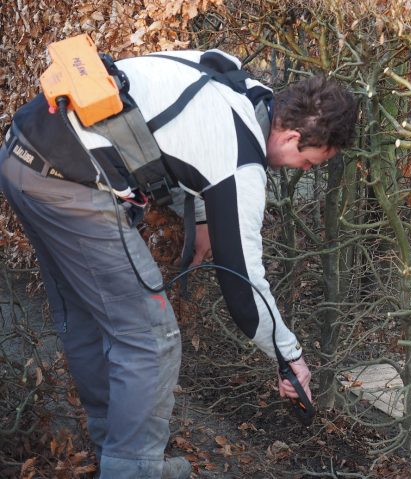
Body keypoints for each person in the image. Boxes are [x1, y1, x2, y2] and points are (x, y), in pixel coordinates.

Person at [0, 48, 357, 479]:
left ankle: (115, 451)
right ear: (293, 139)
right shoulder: (242, 159)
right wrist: (289, 356)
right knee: (151, 336)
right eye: (307, 161)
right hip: (71, 189)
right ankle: (133, 470)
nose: (296, 169)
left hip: (23, 158)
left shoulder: (229, 74)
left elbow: (173, 134)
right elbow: (244, 287)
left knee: (86, 317)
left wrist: (205, 217)